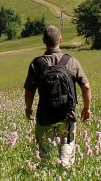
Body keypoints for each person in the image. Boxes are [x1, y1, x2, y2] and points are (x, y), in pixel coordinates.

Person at [23, 25, 92, 166]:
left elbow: (29, 92)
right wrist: (87, 108)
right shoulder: (72, 61)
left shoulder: (36, 64)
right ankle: (64, 168)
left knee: (44, 151)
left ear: (44, 40)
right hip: (67, 114)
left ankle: (45, 171)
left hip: (45, 114)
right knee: (67, 143)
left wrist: (28, 109)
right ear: (60, 39)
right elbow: (86, 86)